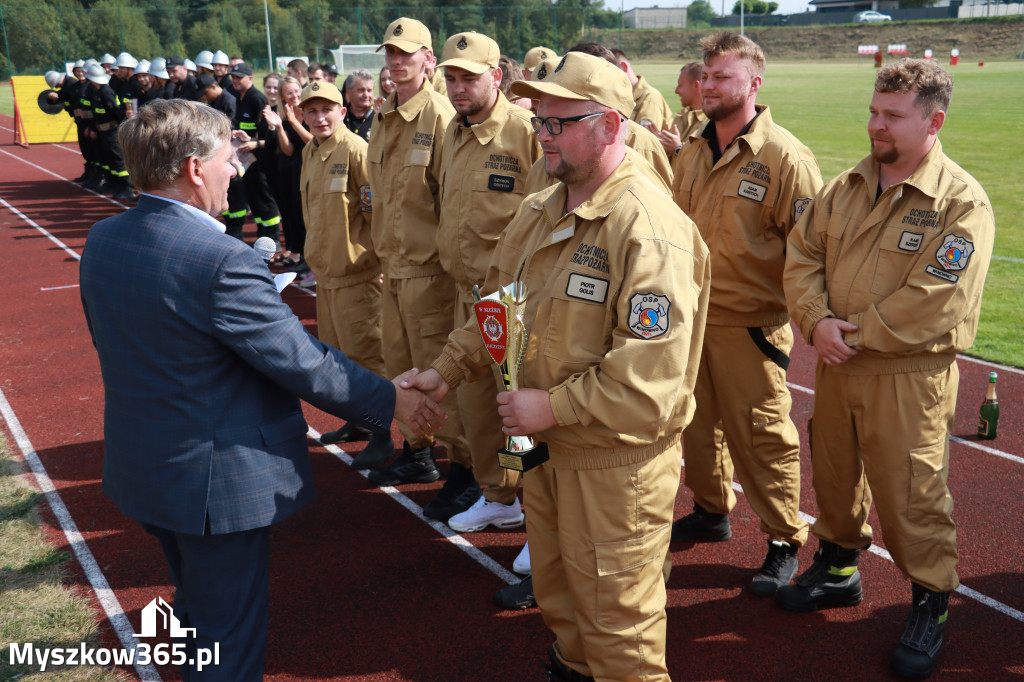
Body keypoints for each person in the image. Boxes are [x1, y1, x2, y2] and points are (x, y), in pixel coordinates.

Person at [79, 98, 445, 681]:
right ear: (195, 169)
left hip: (147, 465)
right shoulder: (220, 260)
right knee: (228, 636)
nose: (238, 169)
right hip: (212, 483)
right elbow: (304, 363)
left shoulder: (105, 239)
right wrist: (394, 401)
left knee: (197, 612)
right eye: (231, 157)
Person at [404, 50, 710, 682]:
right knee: (560, 602)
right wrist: (447, 369)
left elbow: (648, 379)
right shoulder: (541, 207)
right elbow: (498, 305)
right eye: (539, 119)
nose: (541, 134)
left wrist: (553, 407)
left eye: (558, 123)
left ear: (610, 125)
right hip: (541, 449)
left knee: (621, 633)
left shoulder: (649, 229)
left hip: (611, 464)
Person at [779, 58, 994, 680]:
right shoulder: (845, 186)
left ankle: (931, 601)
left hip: (908, 376)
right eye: (874, 111)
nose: (876, 125)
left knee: (911, 496)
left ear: (934, 122)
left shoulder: (960, 202)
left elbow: (939, 297)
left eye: (893, 116)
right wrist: (817, 320)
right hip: (839, 362)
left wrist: (853, 334)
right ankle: (839, 568)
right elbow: (802, 256)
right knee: (836, 476)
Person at [670, 32, 821, 597]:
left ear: (754, 84)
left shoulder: (786, 158)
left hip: (749, 326)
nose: (709, 86)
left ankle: (784, 538)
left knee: (761, 435)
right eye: (705, 76)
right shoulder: (690, 150)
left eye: (722, 78)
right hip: (692, 320)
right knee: (694, 429)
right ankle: (712, 510)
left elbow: (810, 251)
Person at [428, 31, 541, 526]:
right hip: (466, 295)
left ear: (497, 76)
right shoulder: (453, 130)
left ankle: (539, 513)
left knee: (520, 416)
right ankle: (499, 500)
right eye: (450, 78)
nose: (457, 88)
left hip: (513, 301)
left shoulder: (524, 130)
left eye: (469, 78)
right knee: (476, 409)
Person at [363, 17, 468, 487]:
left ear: (429, 59)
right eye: (390, 52)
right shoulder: (383, 117)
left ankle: (463, 470)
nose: (397, 61)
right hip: (394, 270)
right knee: (399, 367)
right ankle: (418, 451)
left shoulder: (441, 117)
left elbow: (452, 203)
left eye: (407, 53)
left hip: (430, 274)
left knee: (438, 373)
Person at [298, 80, 394, 467]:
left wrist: (383, 263)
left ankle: (383, 434)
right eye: (312, 111)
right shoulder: (310, 151)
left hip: (358, 276)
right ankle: (359, 422)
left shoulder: (356, 151)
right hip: (327, 276)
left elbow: (376, 213)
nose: (320, 118)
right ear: (302, 114)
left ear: (342, 111)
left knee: (368, 357)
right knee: (338, 359)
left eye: (327, 110)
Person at [263, 76, 313, 279]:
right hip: (293, 170)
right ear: (283, 97)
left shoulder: (311, 113)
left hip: (311, 169)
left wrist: (294, 121)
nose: (295, 95)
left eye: (297, 90)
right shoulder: (286, 117)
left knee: (308, 216)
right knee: (295, 215)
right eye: (289, 93)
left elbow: (313, 142)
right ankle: (300, 255)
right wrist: (281, 126)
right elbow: (288, 150)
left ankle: (309, 259)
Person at [230, 61, 283, 243]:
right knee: (254, 197)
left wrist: (255, 144)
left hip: (262, 159)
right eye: (233, 77)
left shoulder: (257, 99)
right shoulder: (240, 97)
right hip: (249, 158)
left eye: (239, 77)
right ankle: (263, 233)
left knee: (264, 197)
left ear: (250, 78)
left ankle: (273, 237)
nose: (235, 80)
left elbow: (270, 138)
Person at [651, 61, 706, 157]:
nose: (676, 91)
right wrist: (660, 142)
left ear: (696, 86)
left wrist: (678, 148)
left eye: (680, 85)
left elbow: (705, 162)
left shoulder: (711, 123)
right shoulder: (681, 116)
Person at [611, 48, 673, 131]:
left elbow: (643, 140)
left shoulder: (650, 98)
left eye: (610, 75)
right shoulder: (624, 97)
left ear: (623, 67)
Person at [342, 68, 375, 141]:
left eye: (369, 90)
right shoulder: (340, 116)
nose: (366, 95)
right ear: (348, 91)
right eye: (361, 90)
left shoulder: (379, 117)